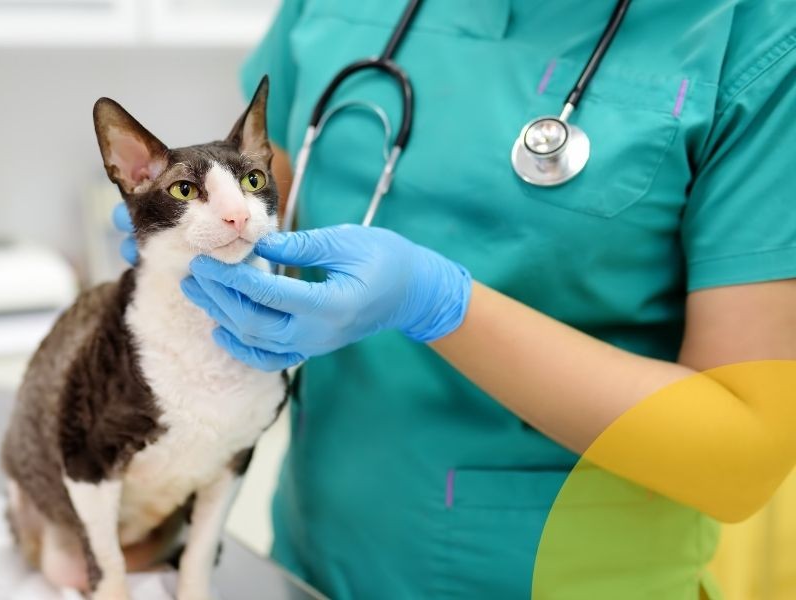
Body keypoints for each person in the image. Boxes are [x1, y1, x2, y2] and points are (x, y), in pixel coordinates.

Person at [115, 1, 796, 597]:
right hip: (312, 558)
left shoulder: (755, 32)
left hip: (560, 578)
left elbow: (740, 458)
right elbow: (269, 190)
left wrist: (439, 304)